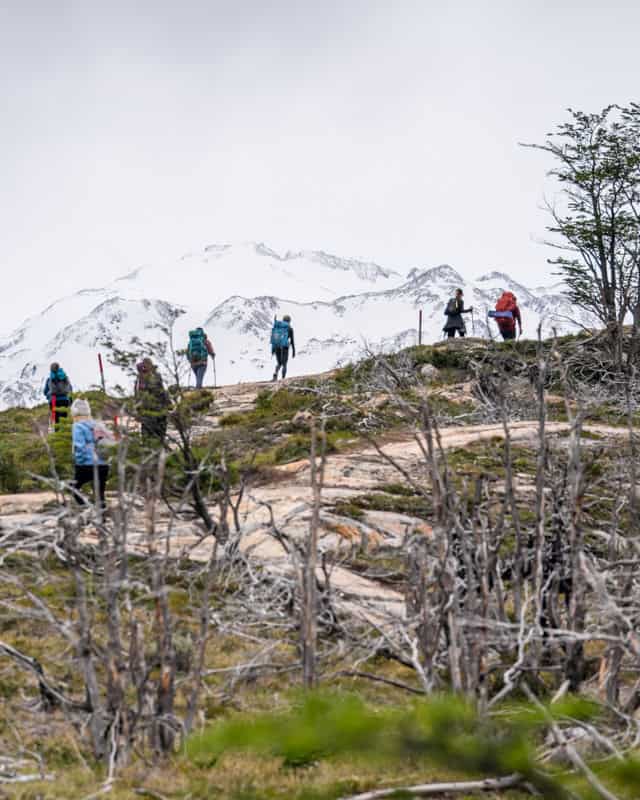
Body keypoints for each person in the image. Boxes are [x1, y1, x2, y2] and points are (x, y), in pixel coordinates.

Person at [70, 398, 110, 510]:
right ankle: (101, 517)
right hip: (103, 464)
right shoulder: (97, 424)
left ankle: (85, 509)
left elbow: (79, 446)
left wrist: (79, 461)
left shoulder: (77, 426)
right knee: (100, 493)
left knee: (73, 488)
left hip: (86, 464)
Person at [134, 358, 170, 443]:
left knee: (149, 438)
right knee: (157, 438)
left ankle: (151, 452)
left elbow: (137, 397)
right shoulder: (152, 377)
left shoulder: (140, 379)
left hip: (150, 412)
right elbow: (161, 392)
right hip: (155, 412)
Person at [271, 314, 295, 380]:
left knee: (279, 363)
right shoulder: (290, 328)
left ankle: (275, 373)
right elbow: (292, 341)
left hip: (276, 346)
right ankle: (283, 379)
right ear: (289, 321)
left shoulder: (277, 327)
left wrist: (273, 350)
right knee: (284, 364)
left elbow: (274, 338)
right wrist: (293, 351)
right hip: (285, 347)